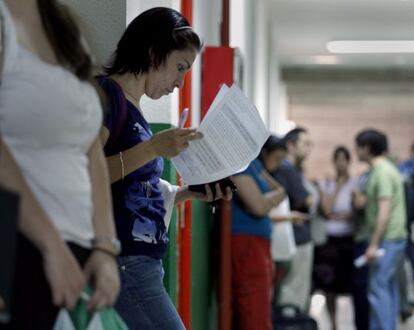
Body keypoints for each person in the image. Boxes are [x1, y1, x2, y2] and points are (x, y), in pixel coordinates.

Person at [98, 7, 232, 329]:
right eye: (180, 67)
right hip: (123, 263)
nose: (180, 82)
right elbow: (85, 173)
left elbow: (138, 190)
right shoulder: (106, 97)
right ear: (154, 52)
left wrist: (190, 194)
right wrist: (154, 147)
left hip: (143, 264)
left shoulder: (136, 111)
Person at [0, 1, 120, 329]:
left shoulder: (64, 29)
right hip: (20, 250)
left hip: (79, 253)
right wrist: (51, 247)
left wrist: (105, 247)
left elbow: (90, 144)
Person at [231, 135, 286, 330]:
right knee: (253, 307)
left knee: (260, 305)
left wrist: (267, 200)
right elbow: (258, 207)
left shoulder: (253, 163)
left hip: (258, 244)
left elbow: (280, 190)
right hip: (246, 244)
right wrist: (269, 200)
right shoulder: (239, 164)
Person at [355, 129, 407, 330]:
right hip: (392, 239)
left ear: (367, 149)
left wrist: (373, 244)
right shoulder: (382, 171)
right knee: (387, 288)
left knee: (378, 289)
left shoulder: (382, 172)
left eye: (358, 147)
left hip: (387, 240)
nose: (356, 151)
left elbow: (384, 211)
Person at [313, 146, 357, 330]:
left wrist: (342, 215)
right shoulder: (328, 184)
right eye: (337, 159)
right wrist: (336, 187)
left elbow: (354, 213)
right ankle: (334, 324)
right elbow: (326, 210)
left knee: (348, 285)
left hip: (347, 239)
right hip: (330, 240)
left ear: (348, 161)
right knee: (329, 287)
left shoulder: (355, 184)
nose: (340, 163)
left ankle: (353, 321)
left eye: (343, 159)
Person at [271, 127, 314, 312]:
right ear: (291, 145)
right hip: (297, 238)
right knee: (294, 292)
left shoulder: (286, 169)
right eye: (305, 144)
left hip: (287, 238)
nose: (308, 148)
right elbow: (306, 200)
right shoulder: (287, 169)